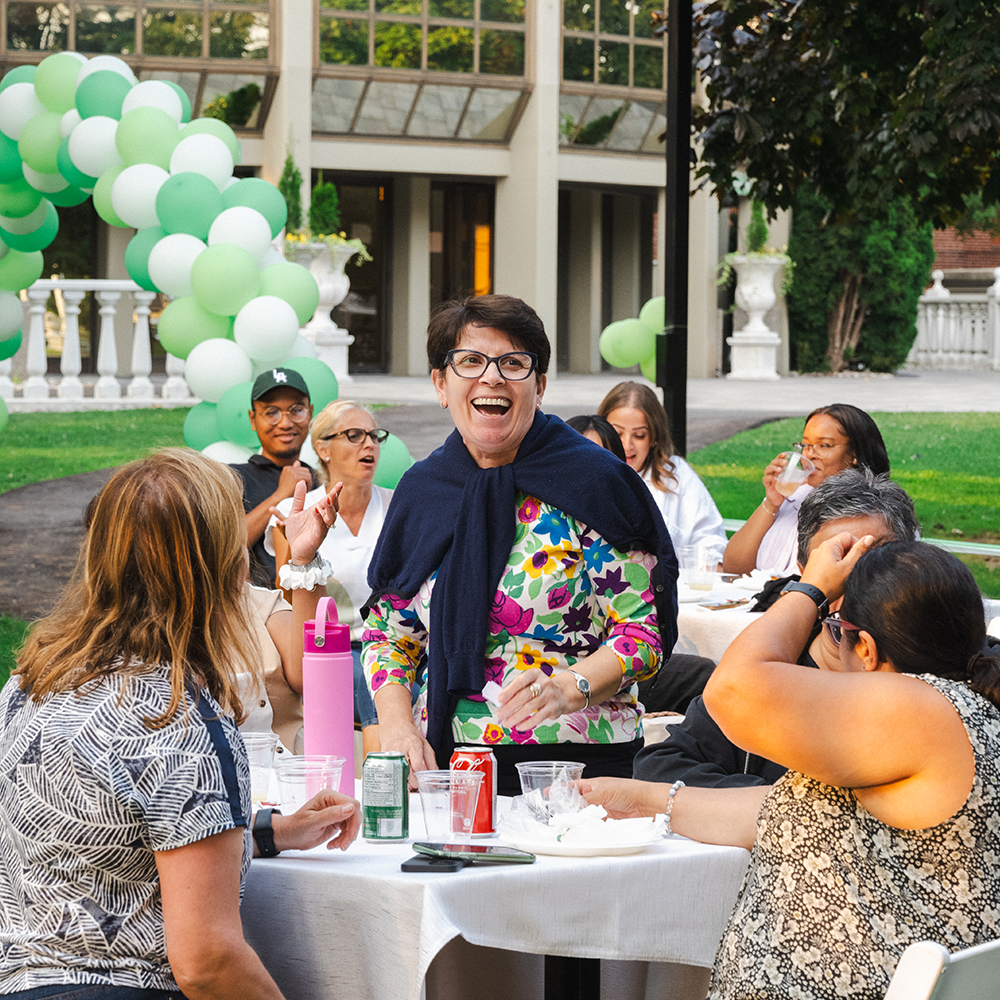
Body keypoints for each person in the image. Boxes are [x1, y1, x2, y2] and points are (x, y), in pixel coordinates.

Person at [1, 449, 360, 998]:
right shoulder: (176, 717)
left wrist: (270, 832)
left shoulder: (32, 682)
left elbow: (109, 848)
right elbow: (207, 961)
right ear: (223, 569)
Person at [582, 537, 1000, 999]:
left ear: (864, 647)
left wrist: (811, 588)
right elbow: (793, 811)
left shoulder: (918, 711)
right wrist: (640, 798)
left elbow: (732, 693)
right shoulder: (950, 715)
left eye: (834, 628)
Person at [362, 294, 678, 795]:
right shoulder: (425, 491)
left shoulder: (595, 483)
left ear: (540, 385)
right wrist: (398, 726)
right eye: (470, 361)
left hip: (575, 765)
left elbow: (645, 633)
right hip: (446, 762)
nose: (492, 377)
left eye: (513, 363)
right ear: (441, 385)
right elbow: (388, 634)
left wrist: (568, 687)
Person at [634, 469, 919, 787]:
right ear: (805, 571)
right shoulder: (777, 663)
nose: (857, 575)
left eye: (875, 556)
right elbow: (660, 766)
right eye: (838, 558)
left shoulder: (935, 657)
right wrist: (776, 807)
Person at [267, 400, 392, 758]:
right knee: (370, 672)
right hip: (335, 648)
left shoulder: (399, 507)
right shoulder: (298, 515)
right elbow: (289, 601)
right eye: (354, 435)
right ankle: (379, 775)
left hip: (394, 641)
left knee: (383, 663)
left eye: (374, 435)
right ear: (322, 448)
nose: (369, 444)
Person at [723, 402, 890, 576]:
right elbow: (733, 568)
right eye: (806, 445)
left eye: (824, 445)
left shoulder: (872, 513)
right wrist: (772, 503)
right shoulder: (791, 497)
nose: (810, 454)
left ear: (855, 453)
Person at [598, 381, 728, 564]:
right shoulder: (587, 473)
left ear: (654, 437)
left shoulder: (676, 475)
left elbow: (710, 542)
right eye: (617, 433)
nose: (627, 445)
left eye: (639, 435)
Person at [230, 367, 318, 587]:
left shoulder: (322, 482)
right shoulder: (233, 478)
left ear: (310, 413)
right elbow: (224, 547)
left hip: (320, 607)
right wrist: (281, 495)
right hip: (257, 611)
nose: (285, 423)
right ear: (253, 419)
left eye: (296, 410)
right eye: (271, 412)